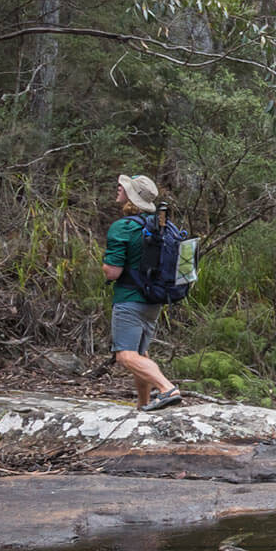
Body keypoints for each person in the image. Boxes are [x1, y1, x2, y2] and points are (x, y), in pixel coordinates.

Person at [101, 174, 181, 411]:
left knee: (125, 356)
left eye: (122, 187)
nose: (118, 188)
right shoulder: (162, 226)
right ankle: (143, 405)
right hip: (153, 300)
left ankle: (167, 389)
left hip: (129, 300)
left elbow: (112, 273)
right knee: (140, 352)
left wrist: (105, 264)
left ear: (131, 197)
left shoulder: (123, 227)